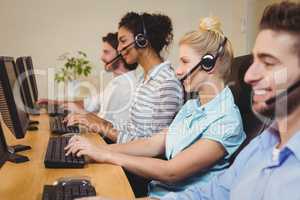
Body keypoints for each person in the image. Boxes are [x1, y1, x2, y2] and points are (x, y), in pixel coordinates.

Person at [65, 16, 246, 199]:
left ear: (209, 64)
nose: (178, 70)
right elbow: (152, 144)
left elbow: (171, 172)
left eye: (184, 61)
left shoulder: (226, 121)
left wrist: (106, 155)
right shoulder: (192, 107)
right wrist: (98, 151)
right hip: (158, 192)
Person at [155, 1, 300, 200]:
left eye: (268, 63)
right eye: (254, 61)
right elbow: (209, 193)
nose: (248, 76)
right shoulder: (261, 145)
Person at [65, 12, 183, 143]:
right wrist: (95, 120)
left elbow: (148, 147)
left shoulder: (165, 83)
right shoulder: (144, 79)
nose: (119, 49)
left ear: (141, 40)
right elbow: (134, 132)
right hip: (126, 153)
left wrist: (101, 127)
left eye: (123, 41)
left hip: (134, 161)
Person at [38, 32, 138, 126]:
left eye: (106, 52)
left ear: (121, 55)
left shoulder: (123, 86)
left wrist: (82, 114)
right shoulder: (117, 82)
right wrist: (53, 102)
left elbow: (106, 126)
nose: (101, 57)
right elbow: (87, 103)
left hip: (108, 141)